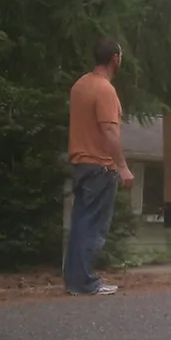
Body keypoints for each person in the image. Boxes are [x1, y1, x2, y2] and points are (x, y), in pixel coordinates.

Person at [63, 37, 135, 295]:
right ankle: (84, 282)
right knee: (93, 226)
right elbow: (108, 130)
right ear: (115, 58)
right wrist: (123, 166)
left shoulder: (80, 85)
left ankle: (74, 280)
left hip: (80, 165)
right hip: (100, 167)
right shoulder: (105, 90)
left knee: (81, 223)